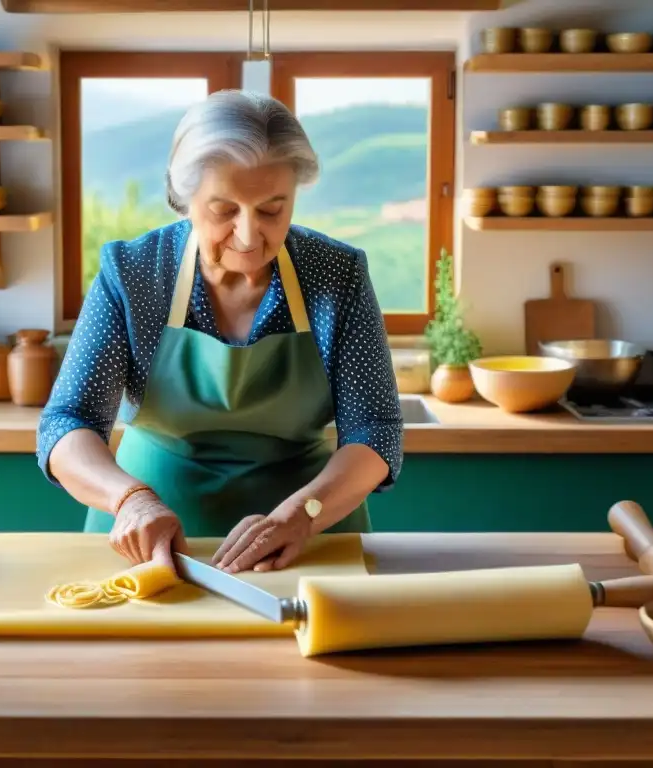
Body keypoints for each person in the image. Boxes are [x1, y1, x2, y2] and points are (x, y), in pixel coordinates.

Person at [37, 90, 403, 576]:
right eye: (224, 209)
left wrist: (303, 516)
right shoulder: (133, 273)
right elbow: (67, 422)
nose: (250, 236)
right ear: (184, 198)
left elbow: (375, 432)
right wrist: (130, 500)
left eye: (273, 209)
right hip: (154, 545)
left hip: (309, 539)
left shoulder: (337, 274)